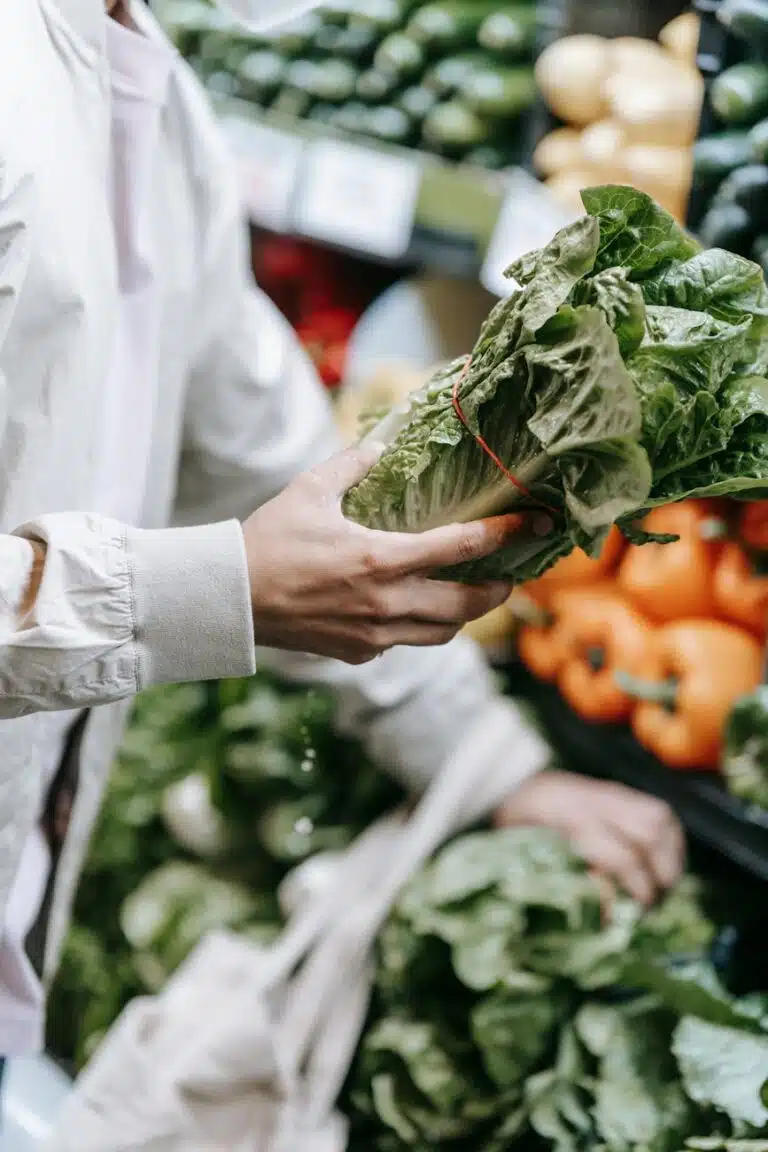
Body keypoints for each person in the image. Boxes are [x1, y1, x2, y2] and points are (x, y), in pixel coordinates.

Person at [0, 0, 684, 1074]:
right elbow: (239, 553)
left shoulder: (149, 92)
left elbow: (262, 458)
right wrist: (205, 592)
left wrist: (481, 759)